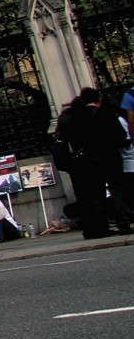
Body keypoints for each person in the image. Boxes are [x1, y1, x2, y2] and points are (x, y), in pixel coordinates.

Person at [56, 87, 130, 239]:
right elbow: (120, 136)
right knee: (116, 191)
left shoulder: (79, 117)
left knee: (98, 195)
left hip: (91, 160)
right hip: (110, 157)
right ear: (98, 98)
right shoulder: (105, 113)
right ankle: (123, 224)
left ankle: (103, 226)